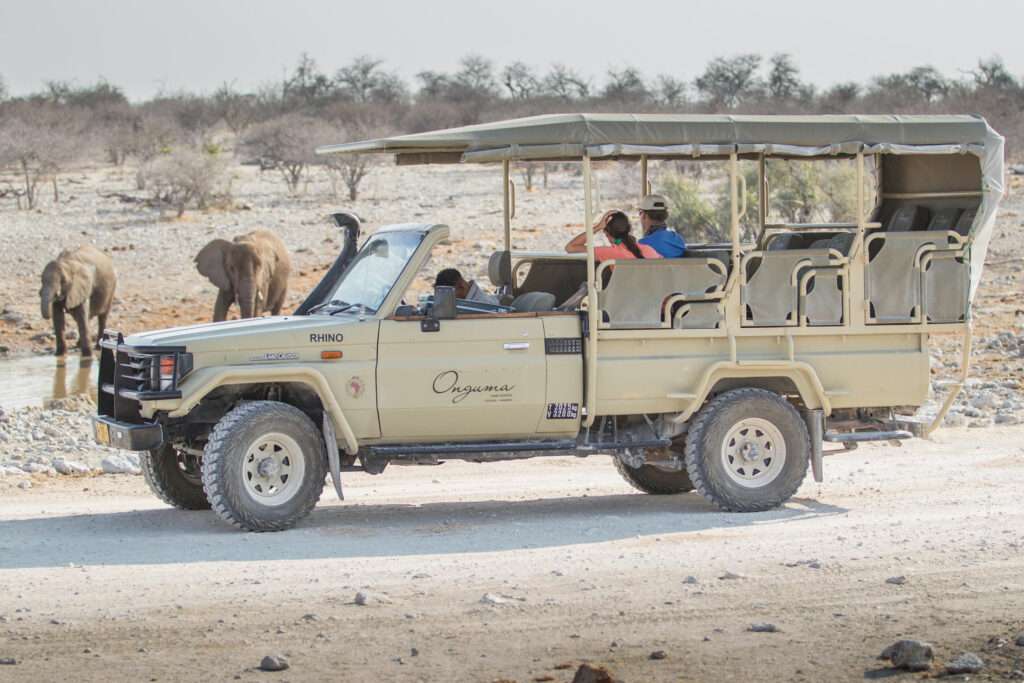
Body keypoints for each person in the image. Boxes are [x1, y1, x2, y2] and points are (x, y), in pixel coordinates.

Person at [565, 210, 661, 261]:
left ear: (606, 233)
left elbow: (570, 247)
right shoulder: (649, 250)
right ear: (629, 229)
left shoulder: (609, 252)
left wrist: (597, 226)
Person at [435, 268, 500, 305]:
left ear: (461, 286)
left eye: (448, 294)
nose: (447, 299)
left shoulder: (480, 306)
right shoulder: (469, 301)